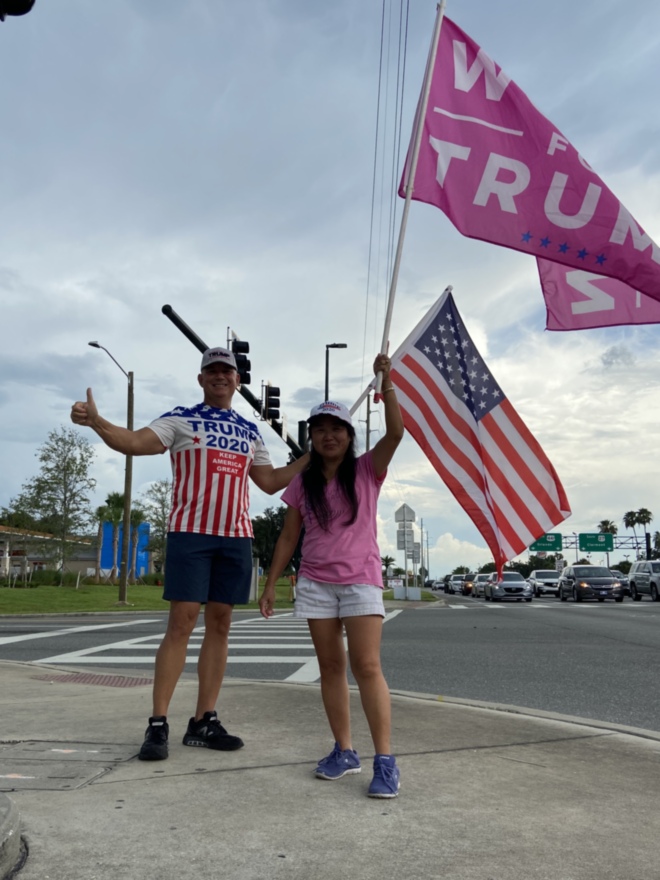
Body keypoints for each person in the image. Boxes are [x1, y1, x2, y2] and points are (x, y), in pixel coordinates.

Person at [71, 346, 308, 761]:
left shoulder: (250, 431)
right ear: (201, 379)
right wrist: (98, 423)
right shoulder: (180, 419)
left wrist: (308, 460)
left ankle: (203, 721)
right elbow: (133, 442)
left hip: (235, 536)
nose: (220, 376)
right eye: (211, 371)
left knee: (220, 625)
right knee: (180, 623)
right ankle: (158, 724)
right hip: (190, 533)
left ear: (238, 380)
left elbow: (269, 482)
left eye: (227, 371)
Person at [259, 354, 404, 798]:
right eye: (320, 429)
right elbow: (288, 537)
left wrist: (388, 384)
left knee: (367, 666)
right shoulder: (302, 482)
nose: (328, 435)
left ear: (349, 435)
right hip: (316, 584)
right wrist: (269, 583)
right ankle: (344, 750)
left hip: (360, 579)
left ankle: (385, 761)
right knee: (330, 667)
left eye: (337, 428)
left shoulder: (366, 471)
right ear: (311, 437)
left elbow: (396, 432)